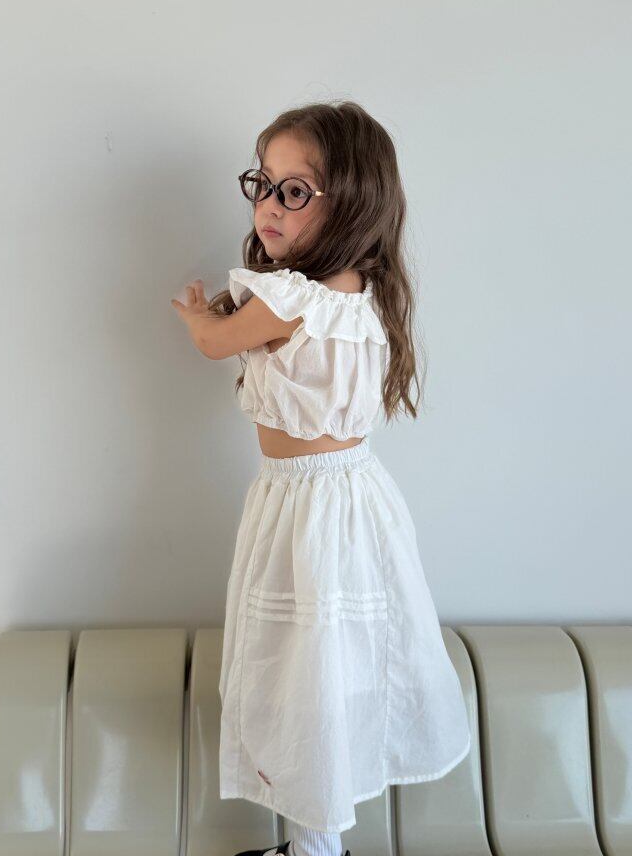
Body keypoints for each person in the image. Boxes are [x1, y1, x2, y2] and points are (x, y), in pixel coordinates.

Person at [170, 100, 471, 856]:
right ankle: (318, 841)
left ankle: (317, 846)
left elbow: (214, 344)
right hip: (354, 501)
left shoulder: (291, 298)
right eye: (264, 184)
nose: (269, 205)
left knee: (305, 673)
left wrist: (196, 315)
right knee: (329, 669)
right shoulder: (362, 293)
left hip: (305, 506)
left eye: (294, 191)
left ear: (352, 203)